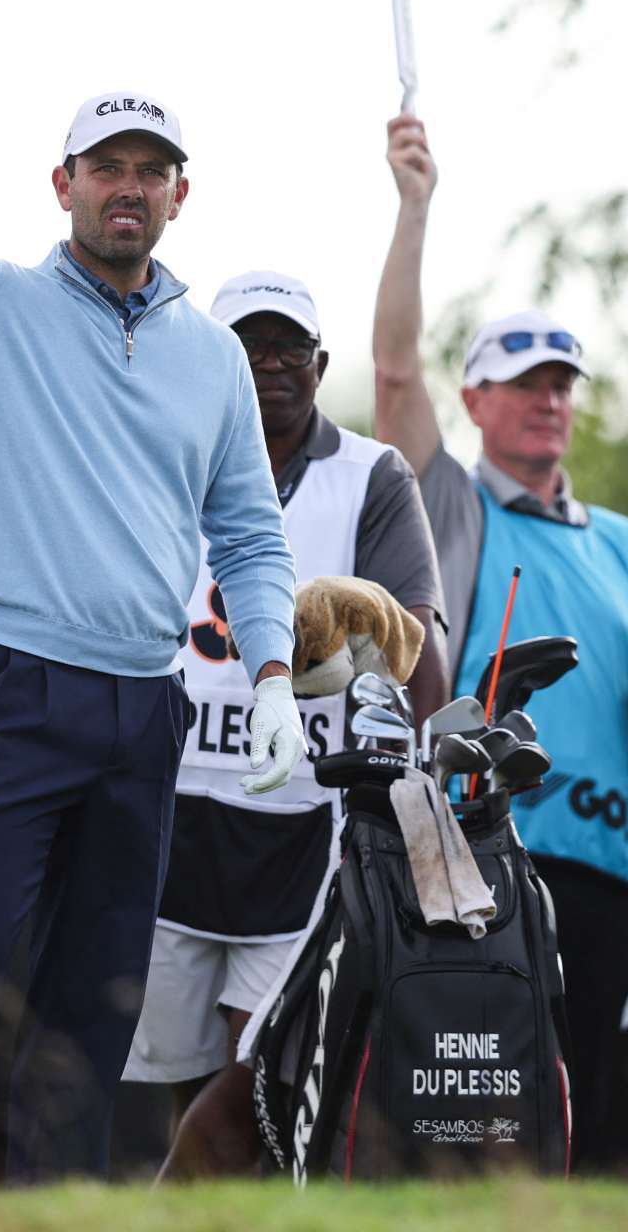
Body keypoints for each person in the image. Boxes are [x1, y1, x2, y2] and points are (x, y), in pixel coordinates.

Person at [0, 0, 301, 1183]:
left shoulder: (211, 359)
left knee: (92, 1009)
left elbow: (248, 533)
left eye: (151, 168)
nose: (128, 185)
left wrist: (277, 667)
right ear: (62, 183)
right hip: (8, 684)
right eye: (105, 165)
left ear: (182, 192)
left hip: (143, 710)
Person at [371, 114, 628, 1169]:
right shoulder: (454, 505)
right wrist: (414, 208)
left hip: (600, 855)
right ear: (474, 400)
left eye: (562, 382)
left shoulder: (619, 539)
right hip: (479, 847)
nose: (550, 400)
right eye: (524, 382)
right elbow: (389, 374)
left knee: (582, 1102)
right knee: (471, 1103)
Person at [128, 271, 448, 1178]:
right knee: (156, 1082)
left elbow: (414, 645)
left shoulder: (373, 476)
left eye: (288, 347)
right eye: (248, 345)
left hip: (308, 828)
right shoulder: (154, 454)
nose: (269, 363)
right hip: (167, 814)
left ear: (321, 363)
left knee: (267, 1075)